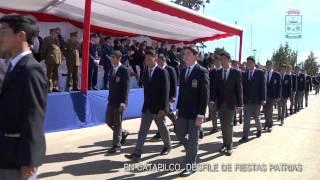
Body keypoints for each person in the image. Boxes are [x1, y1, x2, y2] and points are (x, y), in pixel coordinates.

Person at [0, 14, 47, 180]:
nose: (0, 36)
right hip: (6, 153)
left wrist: (29, 160)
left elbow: (34, 116)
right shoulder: (14, 66)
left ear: (21, 36)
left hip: (17, 158)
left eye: (4, 31)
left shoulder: (31, 70)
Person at [124, 49, 171, 162]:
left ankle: (167, 146)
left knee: (162, 128)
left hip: (158, 108)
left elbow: (165, 91)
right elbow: (146, 91)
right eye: (146, 59)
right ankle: (137, 153)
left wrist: (163, 108)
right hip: (147, 108)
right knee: (142, 131)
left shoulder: (162, 72)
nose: (148, 61)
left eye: (150, 59)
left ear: (155, 59)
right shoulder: (145, 73)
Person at [175, 46, 209, 177]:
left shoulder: (202, 71)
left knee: (193, 139)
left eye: (188, 54)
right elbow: (181, 92)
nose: (185, 56)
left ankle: (190, 165)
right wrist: (178, 108)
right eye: (184, 54)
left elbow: (205, 94)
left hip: (196, 112)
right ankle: (191, 150)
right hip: (183, 110)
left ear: (196, 56)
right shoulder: (183, 71)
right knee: (179, 133)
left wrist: (201, 114)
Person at [213, 51, 243, 156]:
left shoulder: (236, 72)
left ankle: (229, 145)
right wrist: (213, 100)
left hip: (231, 103)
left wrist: (240, 104)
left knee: (229, 124)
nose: (222, 61)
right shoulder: (218, 72)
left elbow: (239, 89)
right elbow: (215, 88)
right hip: (221, 103)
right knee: (222, 124)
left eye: (224, 59)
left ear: (228, 60)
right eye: (221, 59)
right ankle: (225, 144)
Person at [105, 50, 130, 154]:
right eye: (111, 57)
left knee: (117, 123)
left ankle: (117, 146)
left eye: (113, 57)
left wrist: (123, 102)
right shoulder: (111, 69)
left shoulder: (124, 70)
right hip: (111, 100)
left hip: (119, 102)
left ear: (119, 58)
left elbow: (126, 87)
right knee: (109, 122)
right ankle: (123, 133)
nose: (111, 59)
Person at [239, 56, 265, 143]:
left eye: (250, 62)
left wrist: (263, 98)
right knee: (246, 119)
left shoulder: (260, 73)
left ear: (254, 63)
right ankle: (245, 136)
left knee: (256, 117)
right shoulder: (244, 74)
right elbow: (242, 88)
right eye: (247, 63)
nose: (248, 64)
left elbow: (263, 87)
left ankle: (259, 129)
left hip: (257, 100)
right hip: (247, 101)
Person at [151, 53, 177, 140]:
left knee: (168, 112)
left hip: (168, 96)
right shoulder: (156, 70)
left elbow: (174, 83)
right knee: (161, 114)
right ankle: (161, 131)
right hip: (159, 97)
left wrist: (173, 96)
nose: (157, 62)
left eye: (159, 61)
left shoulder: (170, 69)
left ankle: (177, 124)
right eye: (157, 61)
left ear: (163, 60)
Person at [41, 28, 62, 92]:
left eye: (57, 33)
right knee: (49, 74)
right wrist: (44, 57)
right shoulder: (47, 39)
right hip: (50, 59)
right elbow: (43, 49)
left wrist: (60, 59)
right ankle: (49, 87)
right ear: (52, 33)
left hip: (57, 59)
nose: (57, 34)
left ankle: (55, 87)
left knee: (56, 74)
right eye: (56, 33)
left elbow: (58, 49)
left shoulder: (57, 40)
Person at [263, 60, 281, 132]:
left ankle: (270, 125)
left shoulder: (277, 74)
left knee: (269, 110)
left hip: (272, 96)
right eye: (267, 65)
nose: (268, 66)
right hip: (264, 95)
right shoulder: (263, 73)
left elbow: (279, 86)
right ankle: (267, 122)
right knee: (264, 110)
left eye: (269, 65)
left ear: (272, 65)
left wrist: (278, 96)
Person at [208, 55, 221, 134]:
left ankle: (223, 126)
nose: (216, 63)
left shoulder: (224, 71)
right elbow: (209, 84)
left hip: (222, 96)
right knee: (213, 112)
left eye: (217, 61)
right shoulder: (212, 72)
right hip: (213, 96)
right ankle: (214, 127)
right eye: (214, 61)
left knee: (222, 113)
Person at [231, 60, 243, 126]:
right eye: (233, 64)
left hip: (240, 92)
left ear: (237, 65)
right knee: (234, 107)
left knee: (239, 106)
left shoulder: (241, 72)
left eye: (235, 64)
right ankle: (234, 119)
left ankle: (240, 118)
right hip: (233, 93)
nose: (234, 65)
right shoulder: (231, 72)